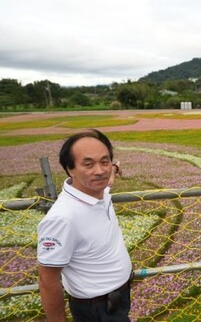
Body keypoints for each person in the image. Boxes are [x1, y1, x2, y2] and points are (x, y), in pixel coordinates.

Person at [37, 129, 132, 321]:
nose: (99, 171)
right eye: (88, 164)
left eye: (104, 161)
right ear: (70, 169)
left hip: (117, 297)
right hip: (97, 309)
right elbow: (48, 281)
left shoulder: (97, 191)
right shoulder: (62, 218)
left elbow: (107, 179)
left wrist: (113, 168)